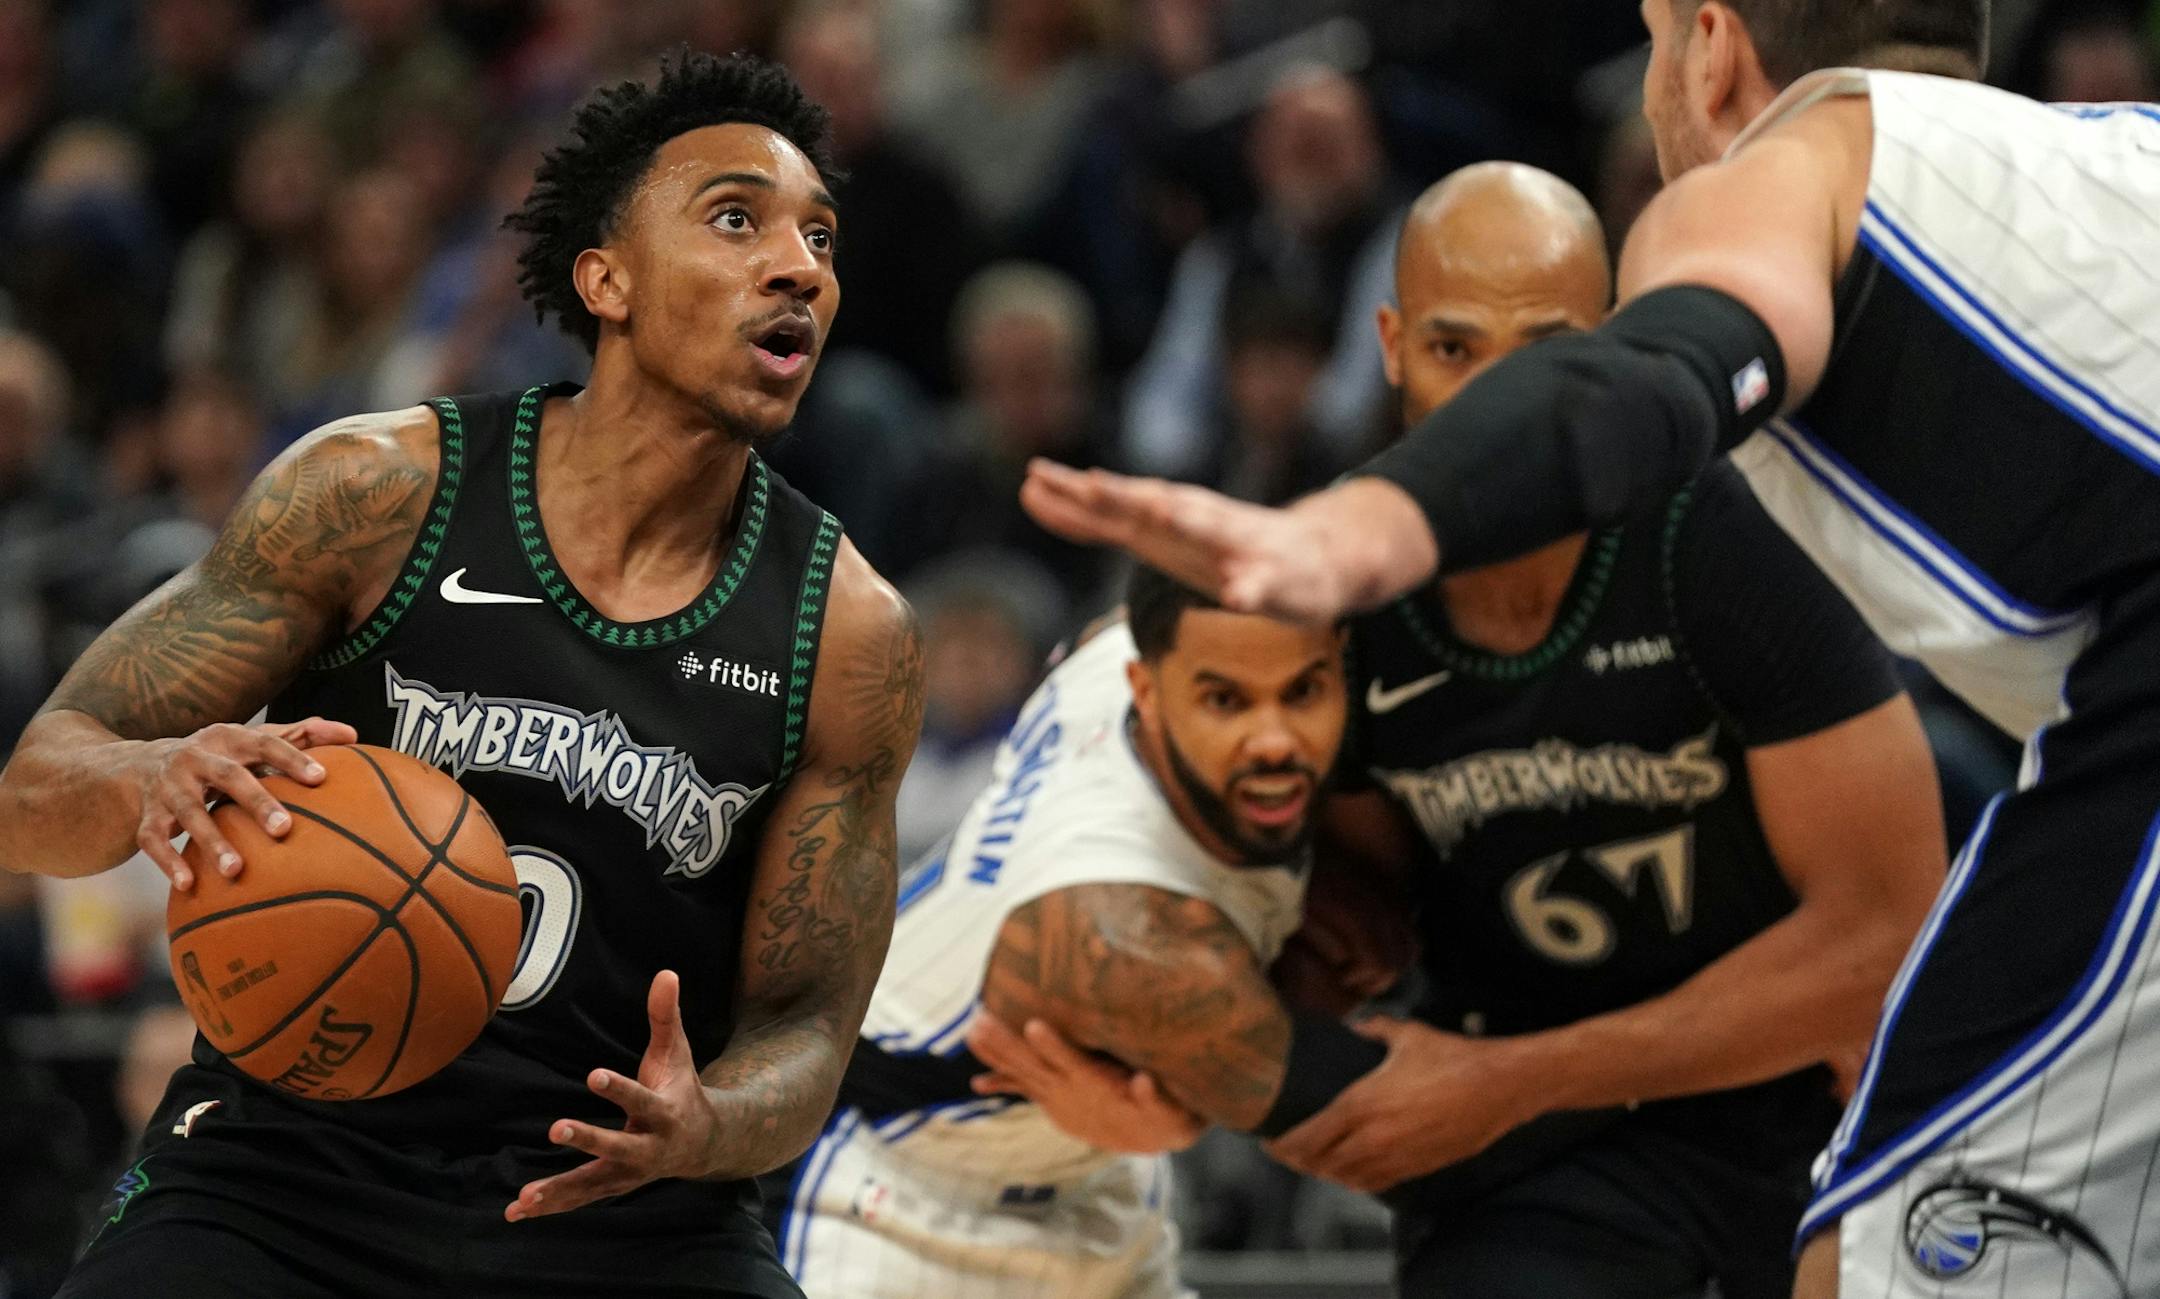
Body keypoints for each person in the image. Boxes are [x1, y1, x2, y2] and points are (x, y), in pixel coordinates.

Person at [1022, 2, 2160, 1293]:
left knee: (1892, 1250)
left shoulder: (1783, 168)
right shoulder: (2118, 160)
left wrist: (1357, 527)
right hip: (1545, 1167)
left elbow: (1661, 374)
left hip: (1746, 1112)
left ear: (1711, 45)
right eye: (1455, 347)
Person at [0, 51, 920, 1299]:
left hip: (623, 1213)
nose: (799, 264)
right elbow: (31, 792)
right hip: (285, 1171)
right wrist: (153, 776)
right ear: (608, 280)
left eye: (820, 236)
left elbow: (809, 1026)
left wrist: (713, 1124)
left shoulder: (849, 631)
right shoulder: (379, 493)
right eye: (735, 218)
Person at [1003, 162, 1947, 1298]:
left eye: (1544, 352)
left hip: (1792, 1098)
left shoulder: (1722, 539)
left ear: (1616, 351)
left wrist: (1515, 1077)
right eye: (1455, 351)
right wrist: (1184, 1058)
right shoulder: (1330, 598)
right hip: (1530, 1163)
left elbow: (1884, 936)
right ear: (1392, 346)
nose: (1504, 407)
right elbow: (1353, 912)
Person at [766, 566, 1359, 1297]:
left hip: (1096, 1173)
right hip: (902, 1193)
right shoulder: (1116, 927)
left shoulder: (1126, 652)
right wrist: (1185, 1117)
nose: (1271, 739)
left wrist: (1178, 1117)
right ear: (1153, 697)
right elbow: (1390, 1119)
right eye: (1226, 703)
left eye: (1304, 690)